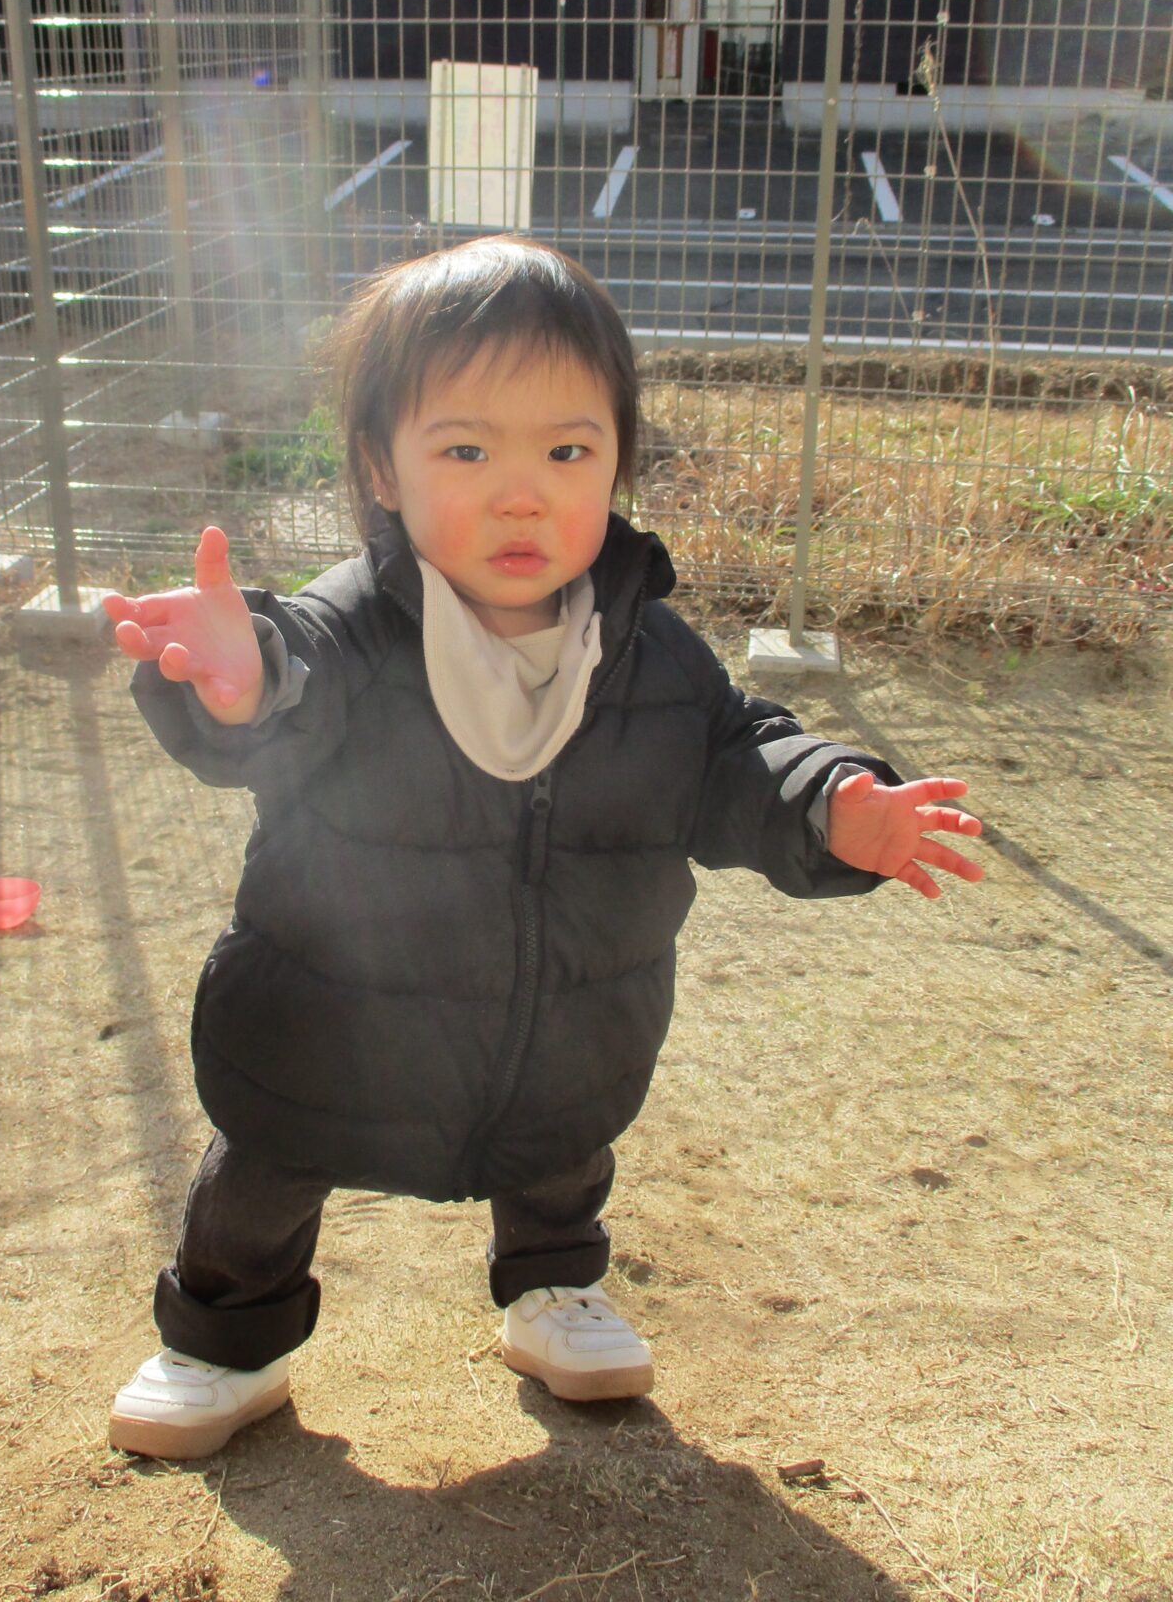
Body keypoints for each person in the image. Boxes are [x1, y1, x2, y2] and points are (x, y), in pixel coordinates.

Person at [101, 237, 982, 1459]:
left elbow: (733, 757)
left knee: (562, 1144)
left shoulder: (651, 653)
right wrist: (241, 679)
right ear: (381, 467)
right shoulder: (353, 630)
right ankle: (222, 1342)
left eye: (568, 453)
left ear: (618, 462)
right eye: (466, 451)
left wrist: (833, 803)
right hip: (337, 1011)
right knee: (270, 1164)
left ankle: (554, 1289)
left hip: (570, 1006)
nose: (523, 495)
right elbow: (286, 680)